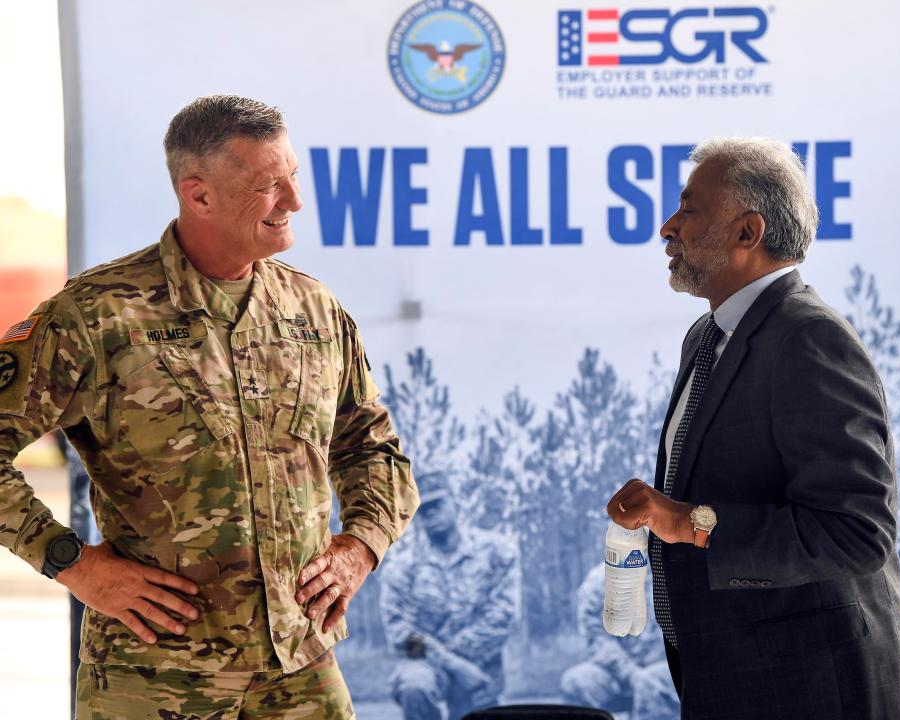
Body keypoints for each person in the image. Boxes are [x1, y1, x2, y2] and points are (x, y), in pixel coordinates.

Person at [0, 95, 419, 718]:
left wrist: (360, 547)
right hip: (156, 674)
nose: (294, 203)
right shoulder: (99, 314)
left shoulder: (314, 310)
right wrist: (72, 563)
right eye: (268, 187)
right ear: (198, 196)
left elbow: (372, 449)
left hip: (300, 667)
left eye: (293, 178)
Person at [606, 137, 900, 719]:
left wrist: (689, 522)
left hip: (825, 692)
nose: (666, 226)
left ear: (747, 233)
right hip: (744, 682)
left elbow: (856, 533)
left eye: (689, 209)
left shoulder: (810, 339)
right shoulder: (706, 339)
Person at [379, 470, 520, 720]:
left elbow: (503, 617)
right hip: (426, 665)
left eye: (438, 504)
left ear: (457, 502)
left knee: (474, 709)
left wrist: (466, 664)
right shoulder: (402, 567)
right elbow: (400, 634)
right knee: (414, 685)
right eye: (423, 510)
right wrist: (455, 665)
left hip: (481, 664)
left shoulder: (497, 552)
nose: (431, 515)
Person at [560, 563, 678, 720]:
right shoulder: (599, 581)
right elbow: (598, 638)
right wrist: (631, 673)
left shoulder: (674, 573)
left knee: (649, 682)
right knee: (576, 681)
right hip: (618, 671)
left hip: (666, 667)